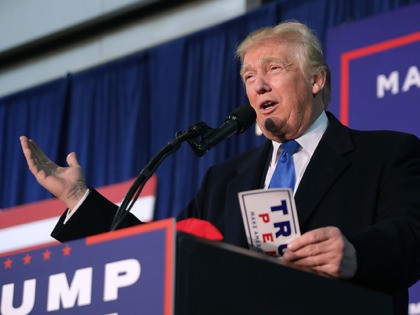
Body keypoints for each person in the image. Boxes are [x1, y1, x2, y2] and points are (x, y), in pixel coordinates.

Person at [20, 21, 420, 314]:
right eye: (249, 76)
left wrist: (356, 254)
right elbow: (165, 256)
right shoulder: (225, 180)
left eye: (274, 70)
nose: (258, 86)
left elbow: (411, 236)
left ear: (317, 80)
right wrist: (78, 199)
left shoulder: (385, 154)